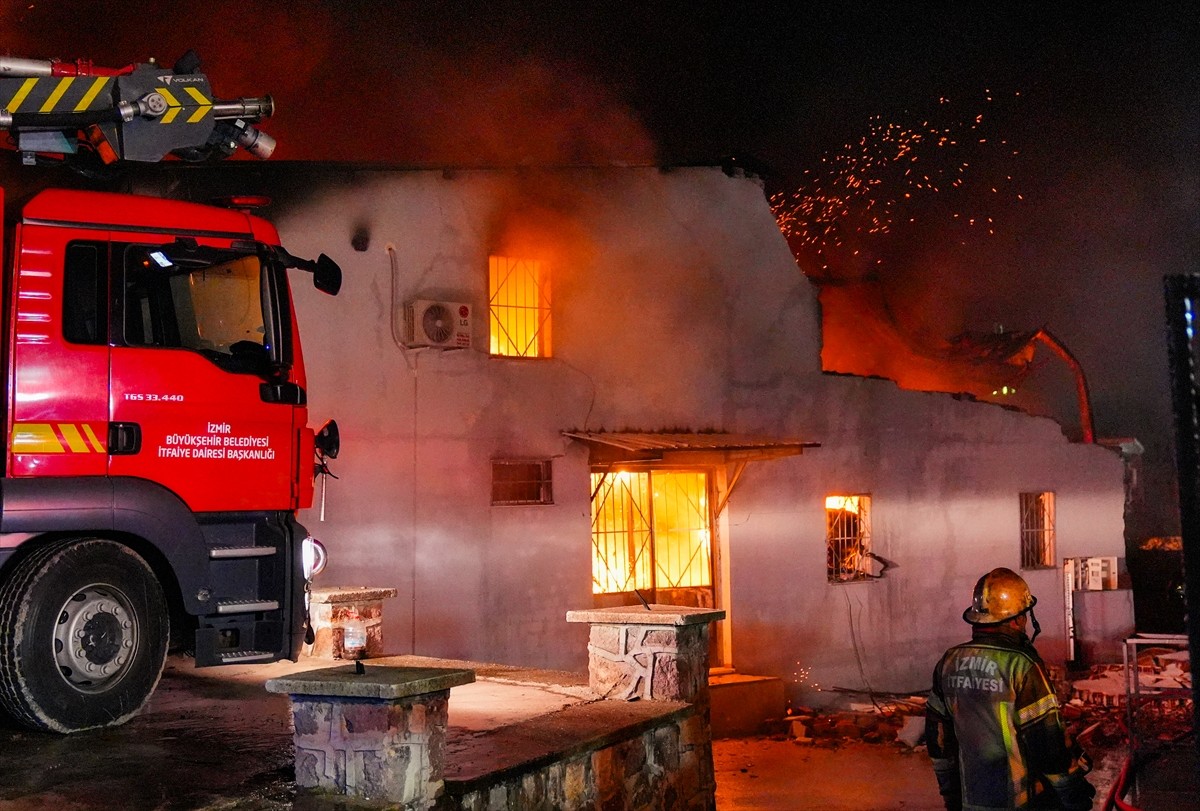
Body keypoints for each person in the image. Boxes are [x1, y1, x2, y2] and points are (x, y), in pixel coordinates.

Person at [925, 567, 1096, 810]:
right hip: (1022, 802)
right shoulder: (1021, 665)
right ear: (1017, 619)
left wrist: (951, 796)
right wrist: (1073, 794)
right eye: (1024, 616)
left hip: (970, 802)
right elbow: (1048, 744)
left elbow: (938, 740)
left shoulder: (948, 662)